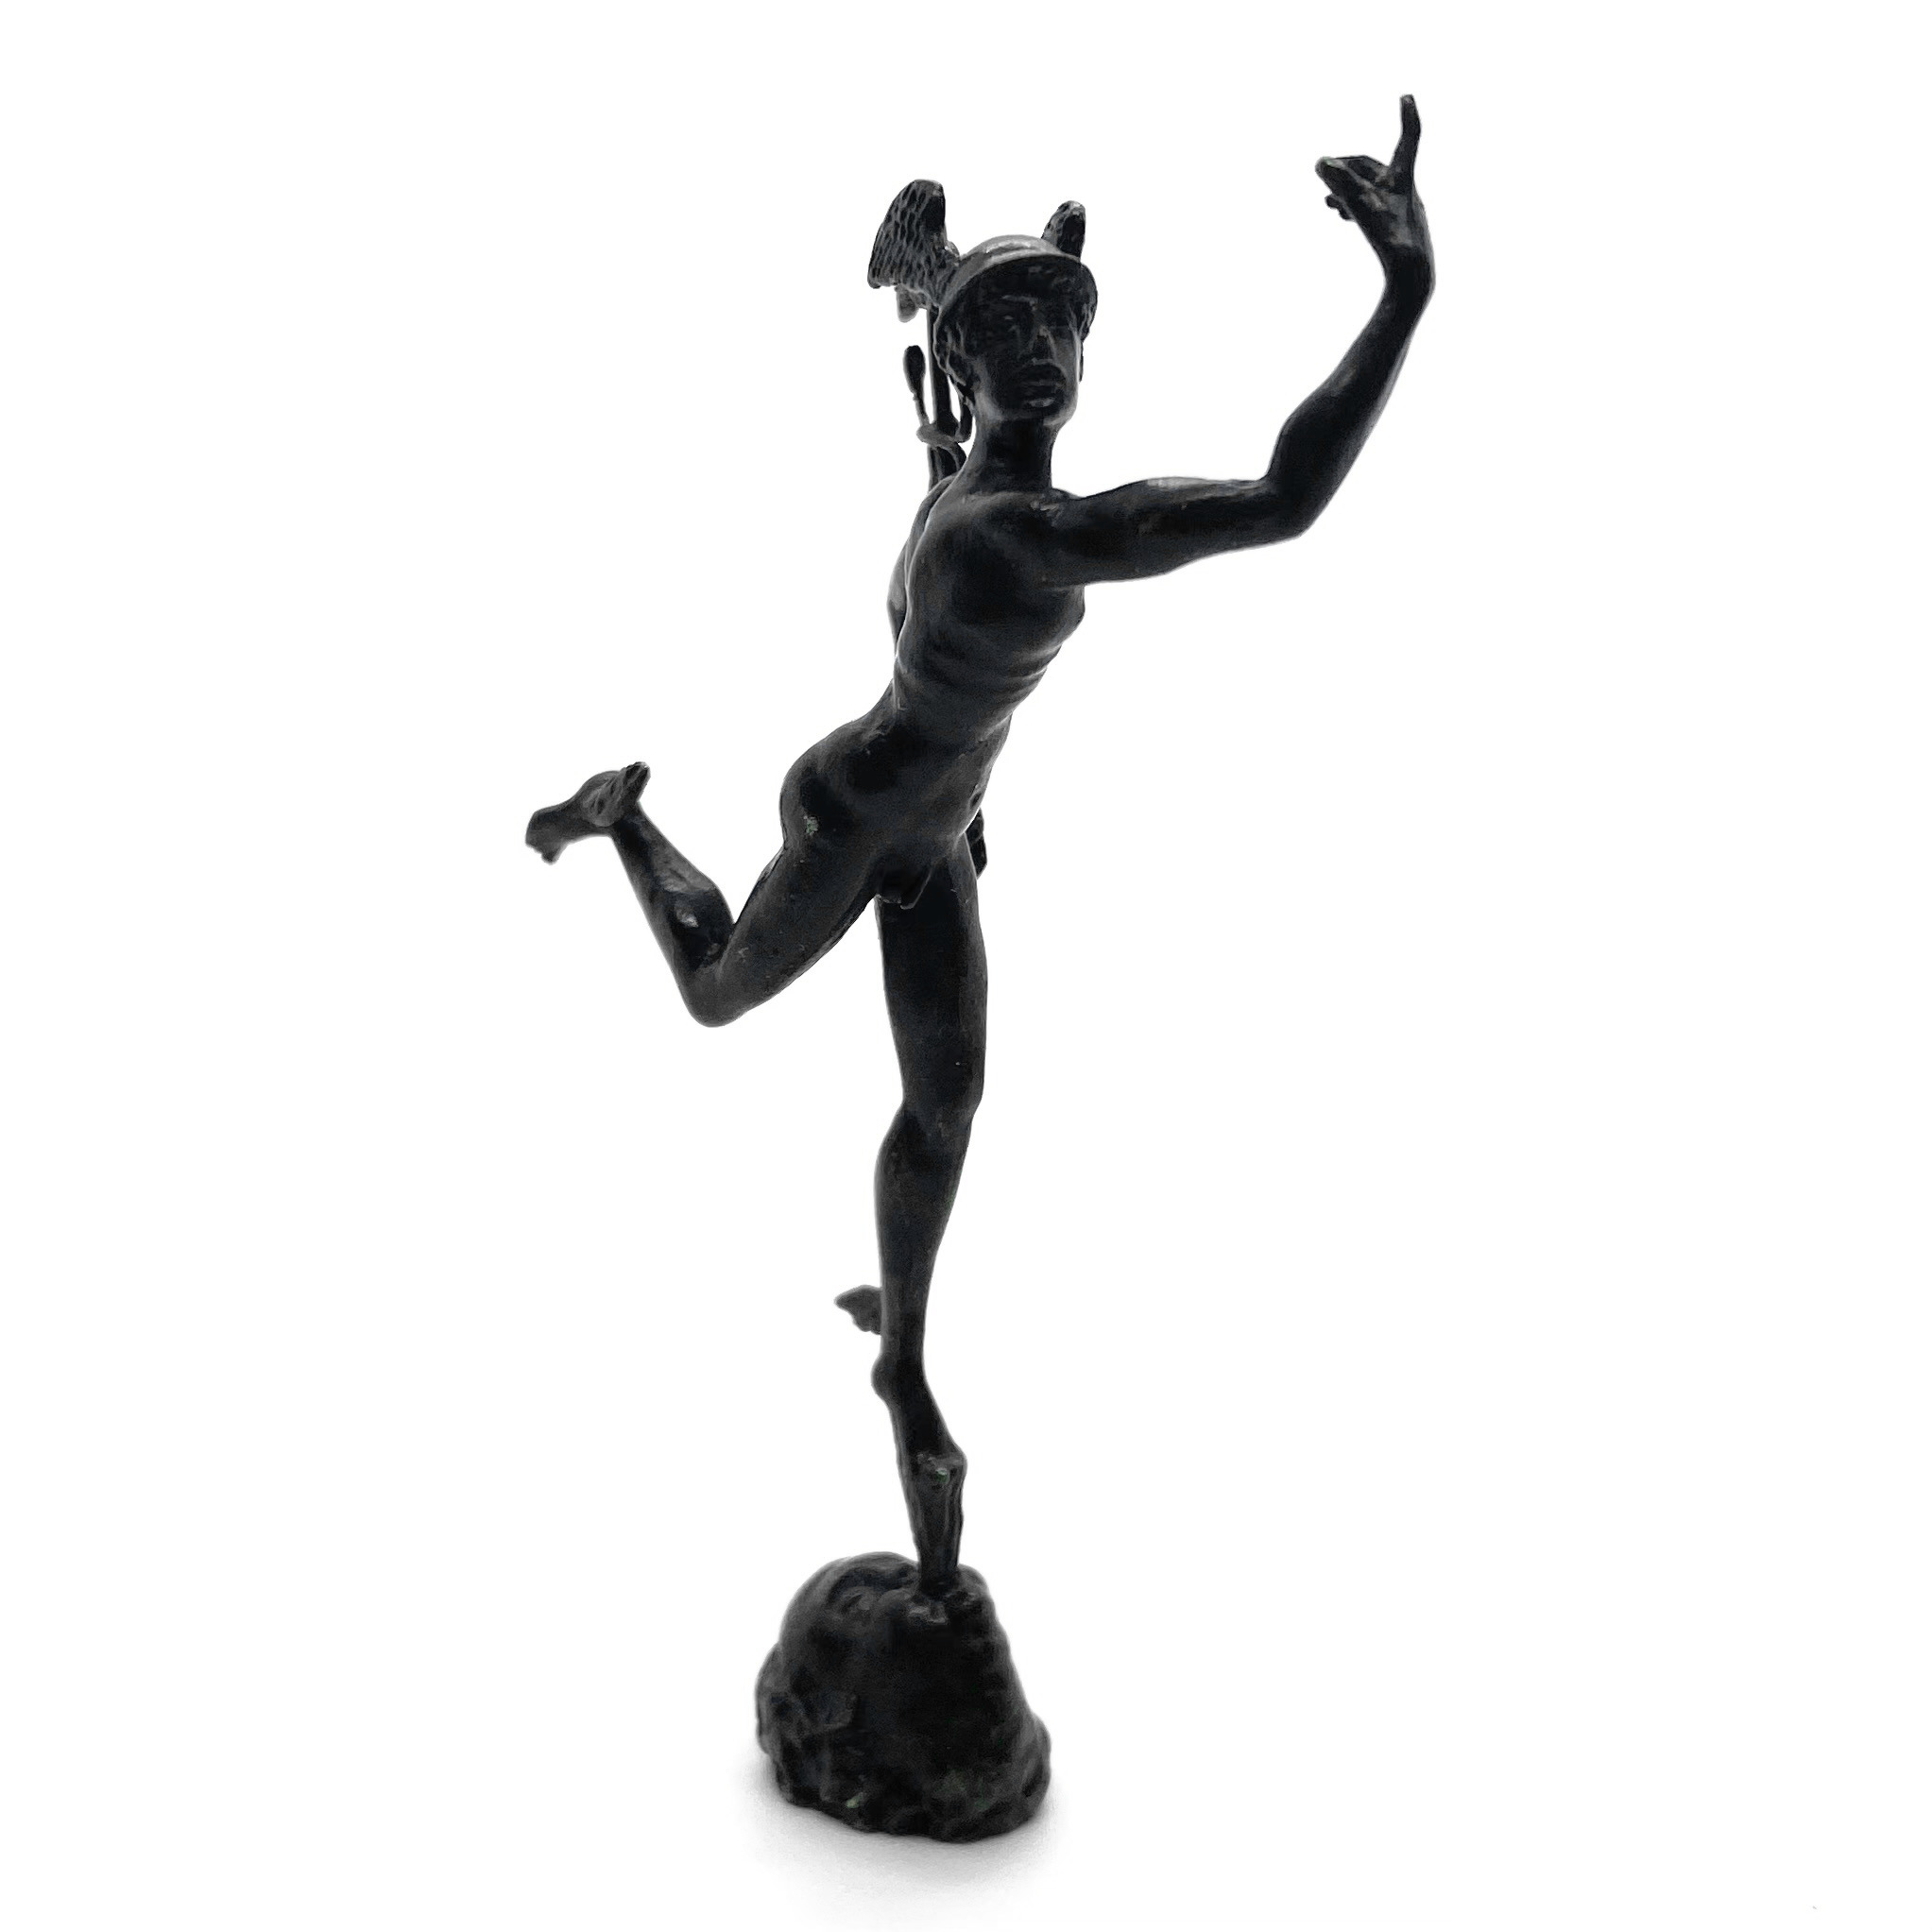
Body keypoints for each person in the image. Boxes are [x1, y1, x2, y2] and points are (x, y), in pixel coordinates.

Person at [526, 98, 1434, 1598]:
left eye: (1061, 323)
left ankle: (902, 1340)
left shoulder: (971, 485)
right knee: (713, 993)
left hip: (936, 825)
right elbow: (1282, 500)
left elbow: (961, 672)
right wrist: (1403, 293)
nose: (1042, 349)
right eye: (1005, 328)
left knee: (944, 1107)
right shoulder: (1026, 528)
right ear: (958, 358)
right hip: (852, 809)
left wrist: (971, 783)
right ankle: (623, 818)